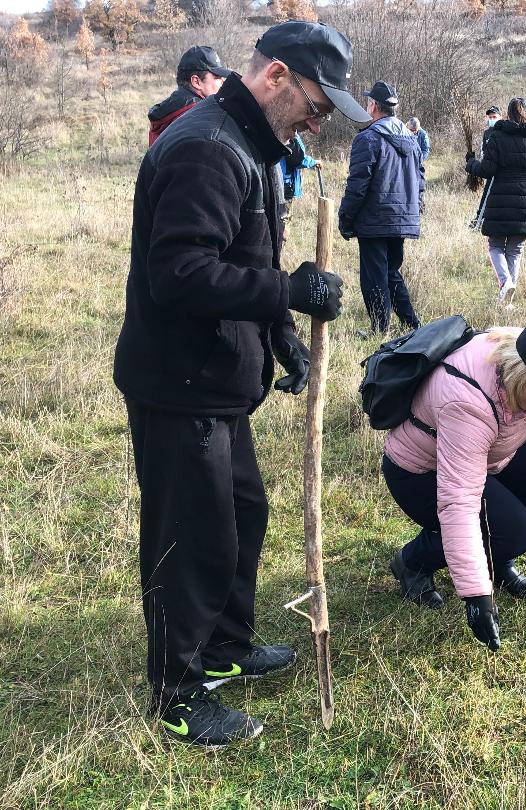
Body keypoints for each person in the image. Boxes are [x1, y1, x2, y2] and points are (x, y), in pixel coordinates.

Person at [115, 21, 363, 747]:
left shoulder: (251, 144)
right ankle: (180, 692)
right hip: (178, 382)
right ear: (277, 76)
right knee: (191, 538)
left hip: (219, 379)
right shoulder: (205, 149)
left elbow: (242, 253)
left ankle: (224, 650)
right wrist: (285, 292)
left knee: (241, 514)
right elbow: (182, 274)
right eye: (318, 102)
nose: (321, 118)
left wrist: (281, 338)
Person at [381, 322, 526, 651]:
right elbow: (459, 502)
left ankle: (497, 555)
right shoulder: (467, 403)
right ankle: (413, 562)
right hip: (421, 474)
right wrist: (478, 596)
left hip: (488, 455)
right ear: (522, 375)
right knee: (514, 531)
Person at [339, 81, 424, 338]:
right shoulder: (412, 140)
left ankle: (379, 331)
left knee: (374, 277)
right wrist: (414, 210)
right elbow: (421, 181)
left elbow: (357, 185)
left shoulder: (368, 138)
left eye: (368, 102)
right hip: (402, 218)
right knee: (391, 272)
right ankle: (412, 325)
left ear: (374, 106)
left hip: (375, 220)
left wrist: (345, 218)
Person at [465, 97, 526, 308]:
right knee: (515, 249)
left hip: (499, 198)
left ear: (508, 114)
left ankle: (505, 282)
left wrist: (471, 163)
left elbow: (487, 170)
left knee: (494, 245)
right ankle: (507, 300)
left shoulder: (497, 137)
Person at [148, 45, 231, 146]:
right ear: (196, 82)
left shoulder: (169, 110)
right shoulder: (199, 119)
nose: (223, 81)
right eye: (217, 77)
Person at [281, 133, 321, 204]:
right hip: (286, 186)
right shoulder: (289, 132)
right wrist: (314, 162)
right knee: (283, 213)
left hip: (278, 182)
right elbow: (299, 160)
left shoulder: (274, 130)